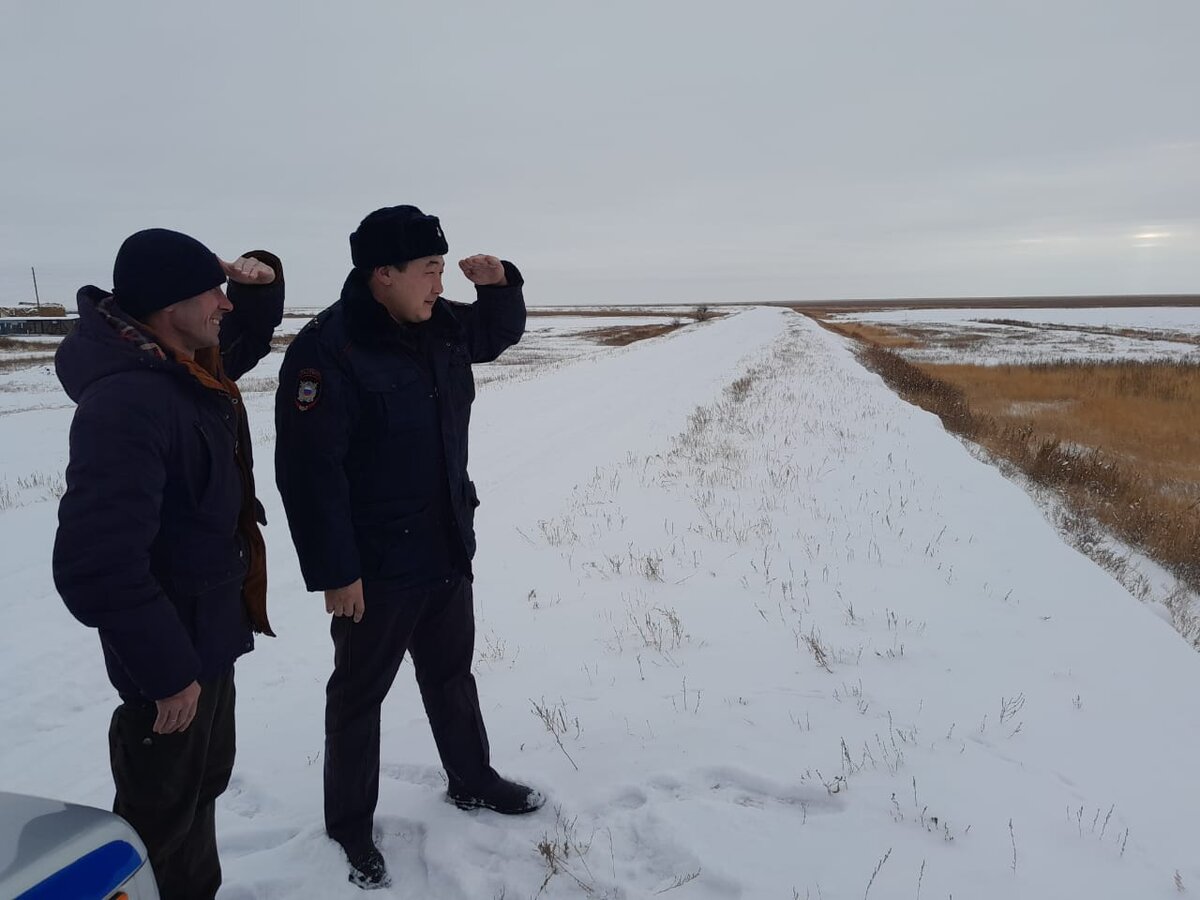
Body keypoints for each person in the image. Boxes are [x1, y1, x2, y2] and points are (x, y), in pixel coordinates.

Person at [274, 205, 541, 889]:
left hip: (447, 548)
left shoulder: (442, 326)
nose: (438, 282)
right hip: (376, 569)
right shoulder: (327, 351)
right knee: (360, 698)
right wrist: (337, 571)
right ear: (382, 274)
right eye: (428, 270)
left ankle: (473, 779)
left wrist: (501, 284)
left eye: (441, 269)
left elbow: (496, 333)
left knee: (452, 676)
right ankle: (350, 827)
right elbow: (309, 474)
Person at [52, 228, 284, 900]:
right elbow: (96, 564)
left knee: (199, 795)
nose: (224, 303)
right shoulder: (130, 402)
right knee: (152, 831)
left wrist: (258, 274)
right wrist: (167, 672)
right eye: (210, 291)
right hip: (170, 665)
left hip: (206, 637)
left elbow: (251, 326)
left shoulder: (186, 369)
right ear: (164, 303)